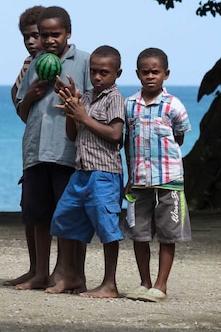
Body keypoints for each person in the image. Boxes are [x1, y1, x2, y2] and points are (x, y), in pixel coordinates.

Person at [13, 5, 91, 290]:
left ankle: (72, 274)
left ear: (68, 33)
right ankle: (40, 273)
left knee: (70, 214)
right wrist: (31, 96)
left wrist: (73, 99)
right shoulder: (35, 64)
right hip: (35, 151)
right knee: (38, 214)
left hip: (67, 152)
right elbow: (23, 112)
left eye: (55, 34)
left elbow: (92, 109)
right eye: (44, 35)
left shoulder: (84, 61)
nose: (49, 41)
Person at [49, 45, 125, 298]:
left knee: (107, 228)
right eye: (93, 71)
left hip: (104, 174)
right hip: (81, 171)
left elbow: (115, 135)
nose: (97, 77)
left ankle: (110, 284)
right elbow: (73, 135)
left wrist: (84, 117)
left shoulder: (115, 98)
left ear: (117, 73)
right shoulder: (87, 97)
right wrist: (73, 111)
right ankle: (72, 276)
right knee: (64, 219)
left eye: (104, 72)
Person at [123, 47, 192, 302]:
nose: (150, 77)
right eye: (145, 72)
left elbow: (180, 136)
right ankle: (144, 282)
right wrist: (130, 177)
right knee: (138, 233)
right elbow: (128, 142)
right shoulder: (130, 105)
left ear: (166, 74)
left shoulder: (174, 105)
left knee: (168, 233)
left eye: (156, 72)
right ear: (137, 74)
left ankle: (161, 286)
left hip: (169, 181)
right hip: (139, 181)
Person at [5, 5, 44, 287]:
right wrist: (28, 96)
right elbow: (19, 104)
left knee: (58, 215)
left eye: (35, 35)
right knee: (31, 212)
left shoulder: (60, 62)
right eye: (26, 37)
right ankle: (34, 268)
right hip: (33, 148)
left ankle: (55, 270)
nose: (30, 42)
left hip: (60, 149)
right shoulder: (27, 66)